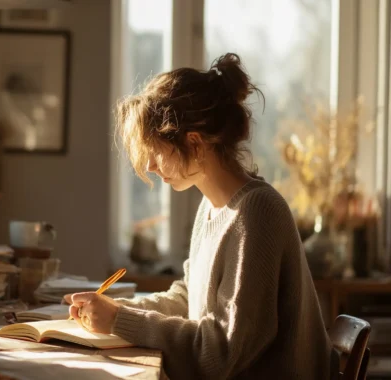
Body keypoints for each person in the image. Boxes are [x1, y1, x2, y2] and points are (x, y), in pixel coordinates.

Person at [66, 53, 337, 379]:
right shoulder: (212, 209)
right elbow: (188, 299)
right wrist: (117, 311)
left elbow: (222, 351)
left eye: (156, 151)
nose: (151, 166)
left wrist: (120, 321)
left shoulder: (257, 213)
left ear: (194, 143)